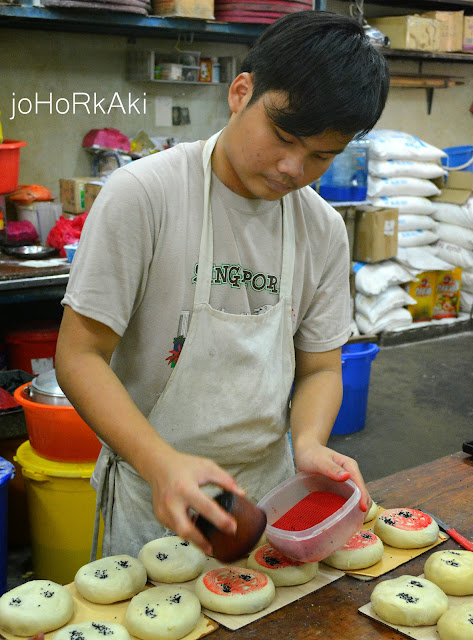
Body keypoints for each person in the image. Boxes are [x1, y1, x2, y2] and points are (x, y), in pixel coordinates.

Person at [55, 10, 390, 559]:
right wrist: (160, 464)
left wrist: (307, 443)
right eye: (283, 136)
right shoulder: (144, 195)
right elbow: (80, 355)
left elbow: (322, 368)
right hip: (153, 493)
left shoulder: (322, 228)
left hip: (270, 498)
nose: (291, 167)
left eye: (320, 156)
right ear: (241, 92)